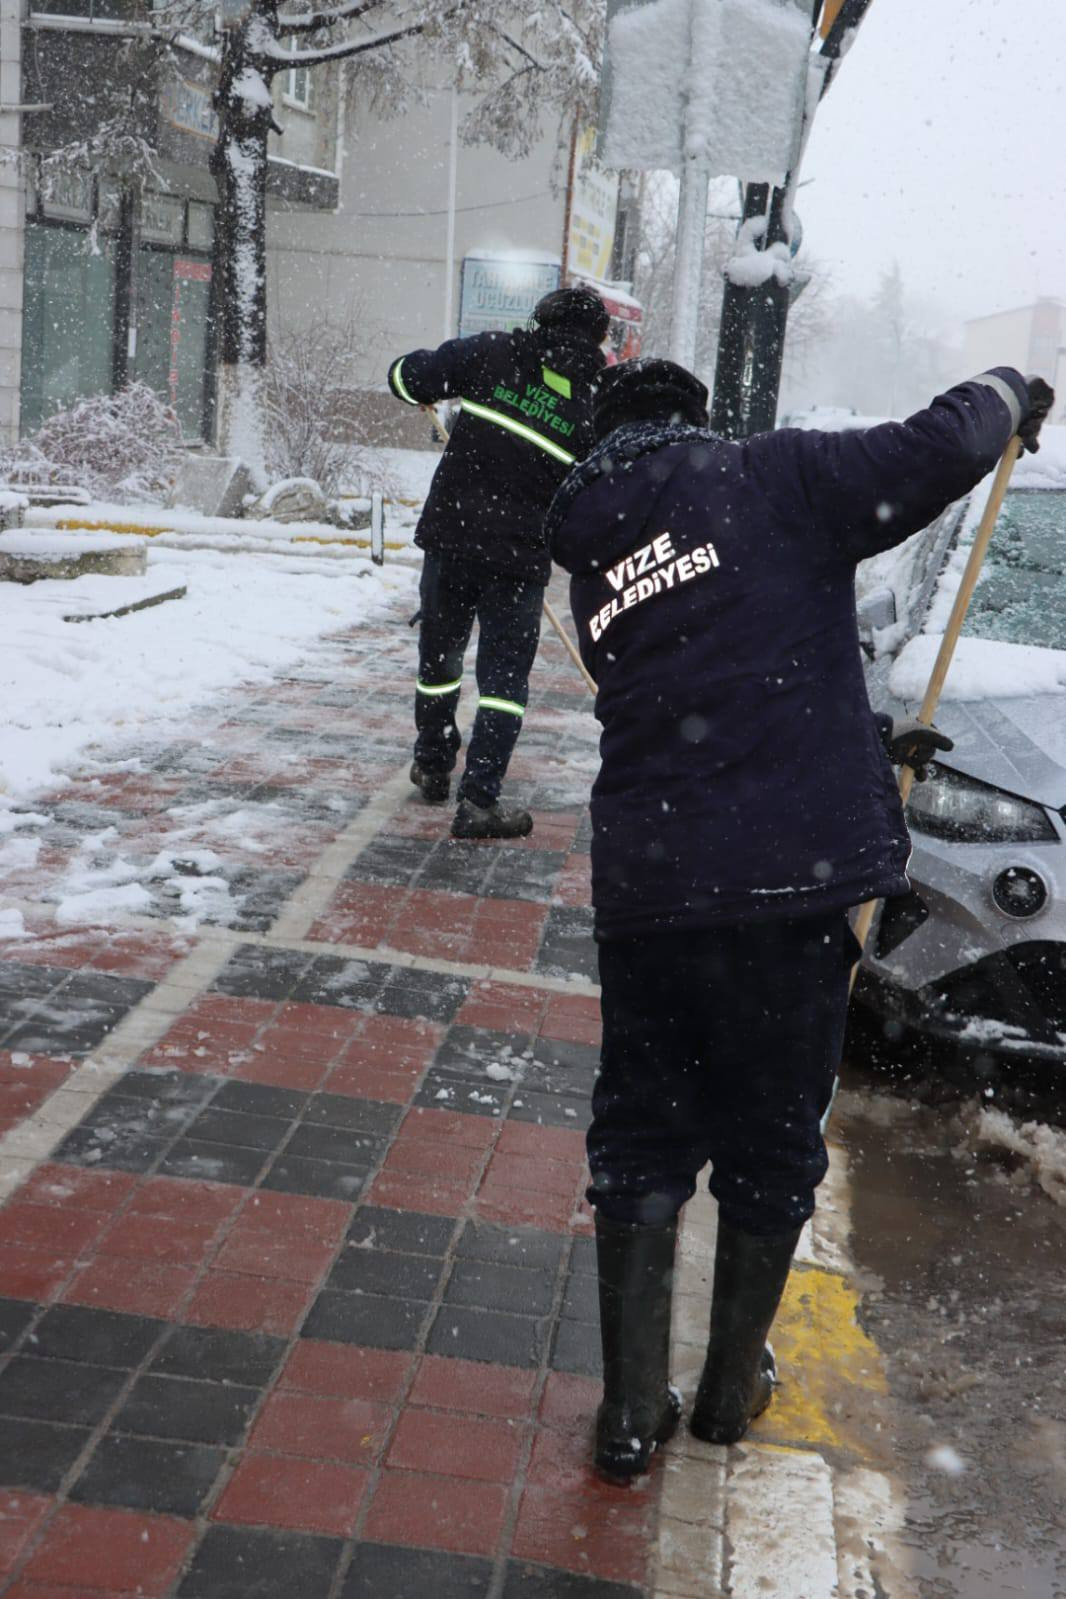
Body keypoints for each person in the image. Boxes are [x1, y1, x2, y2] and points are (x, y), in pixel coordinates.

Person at [546, 357, 1053, 1480]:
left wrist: (861, 748)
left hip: (652, 885)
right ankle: (729, 1392)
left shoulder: (594, 559)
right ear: (696, 426)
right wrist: (1006, 394)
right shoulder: (767, 478)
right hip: (787, 887)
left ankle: (628, 1413)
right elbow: (940, 448)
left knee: (640, 1136)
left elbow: (710, 688)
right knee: (772, 1138)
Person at [387, 288, 608, 838]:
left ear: (541, 319)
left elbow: (406, 379)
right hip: (518, 561)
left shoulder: (492, 353)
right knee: (504, 685)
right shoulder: (592, 406)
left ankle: (433, 763)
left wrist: (414, 379)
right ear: (598, 340)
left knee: (440, 660)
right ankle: (479, 801)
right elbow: (593, 500)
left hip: (453, 539)